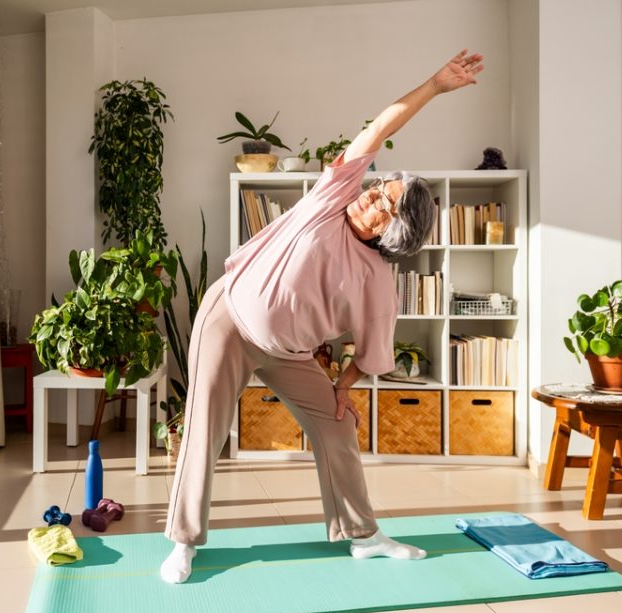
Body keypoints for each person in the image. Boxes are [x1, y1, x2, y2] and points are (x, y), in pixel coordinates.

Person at [161, 49, 485, 584]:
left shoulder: (378, 282)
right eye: (380, 188)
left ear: (395, 230)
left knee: (338, 429)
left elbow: (372, 352)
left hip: (288, 353)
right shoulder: (334, 197)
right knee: (205, 431)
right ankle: (184, 543)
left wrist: (342, 388)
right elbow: (379, 127)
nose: (372, 198)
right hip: (229, 319)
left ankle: (363, 536)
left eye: (387, 203)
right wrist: (435, 85)